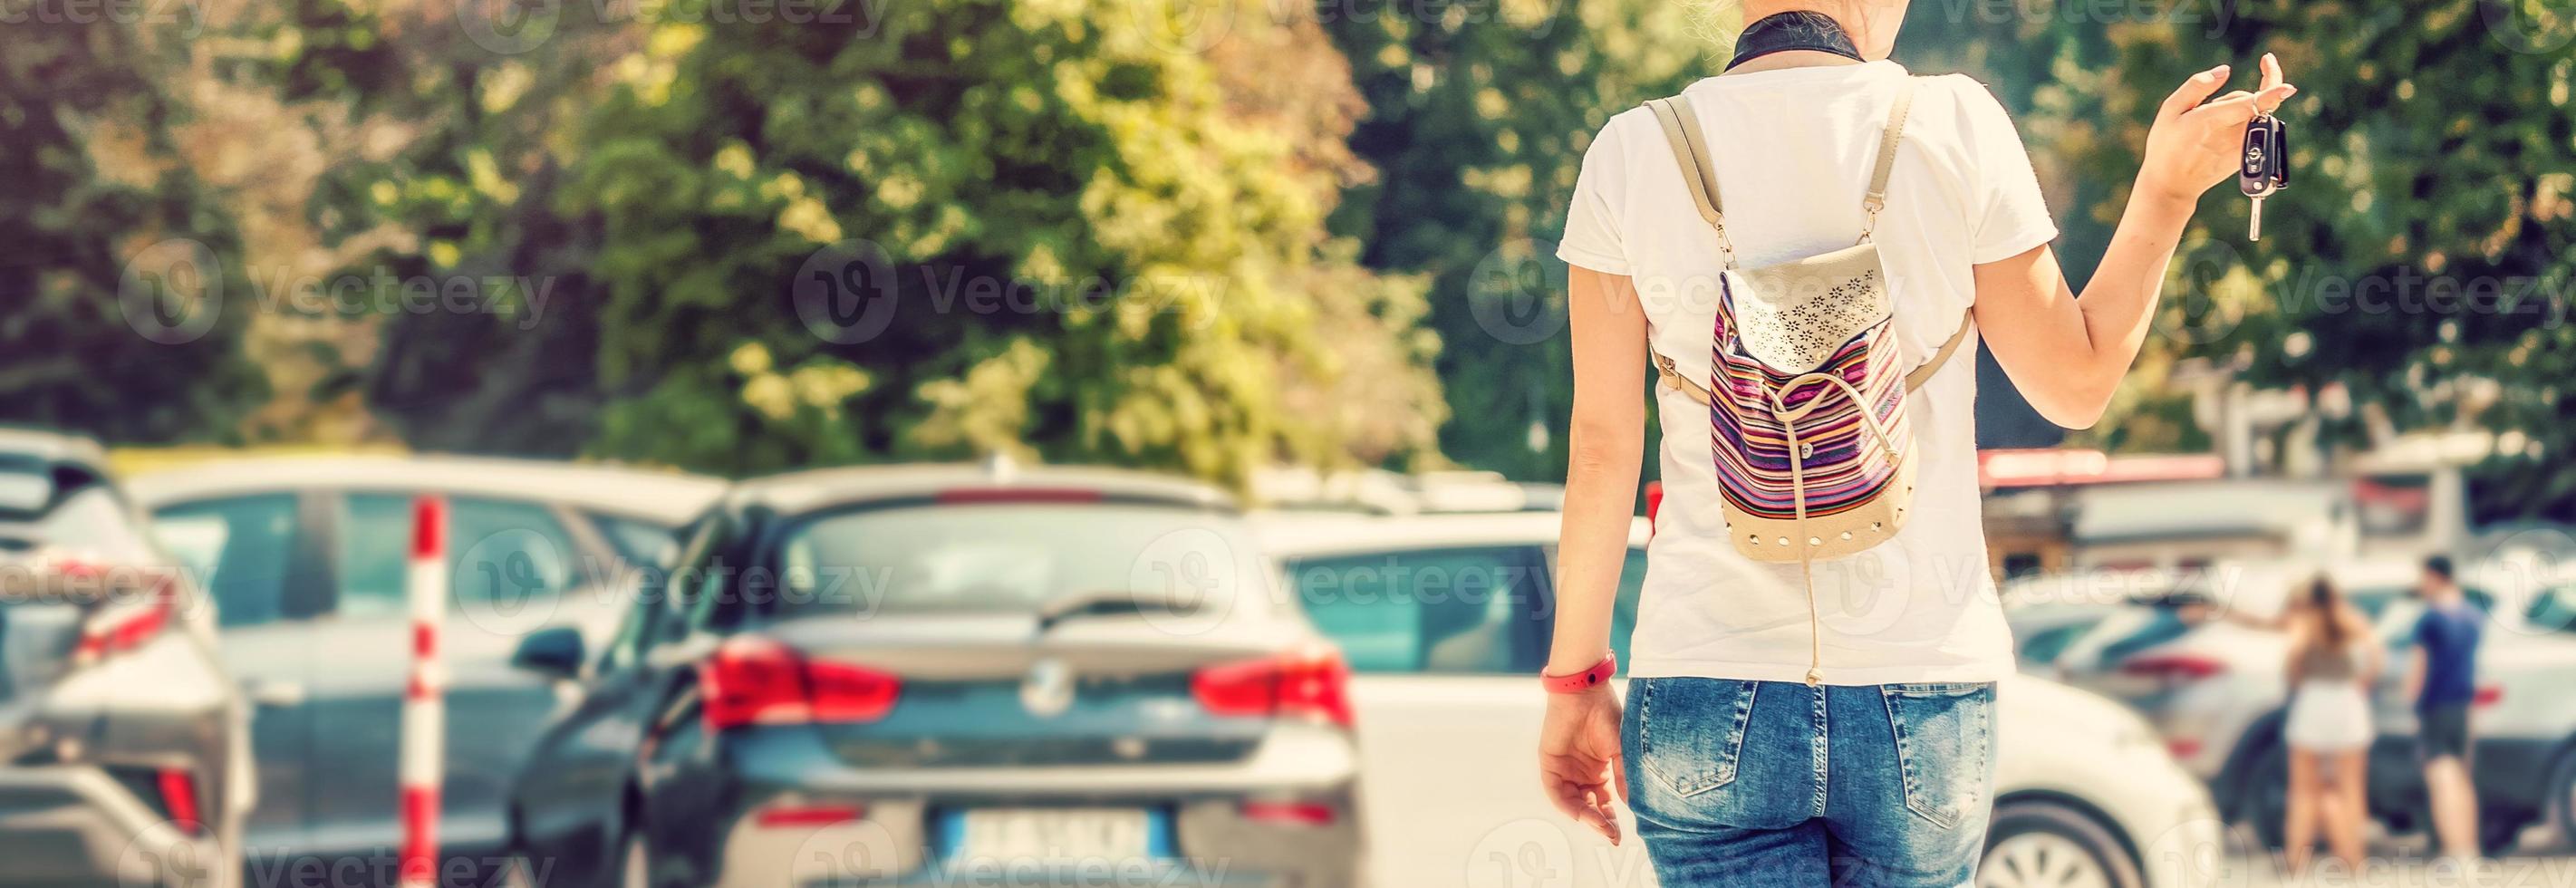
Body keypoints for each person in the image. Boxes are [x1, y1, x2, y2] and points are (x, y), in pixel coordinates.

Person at [1534, 0, 2295, 882]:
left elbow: (1599, 450)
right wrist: (2163, 191)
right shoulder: (1952, 123)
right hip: (1921, 678)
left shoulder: (1630, 152)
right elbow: (2073, 385)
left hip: (1705, 669)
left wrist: (1573, 682)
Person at [2280, 575, 2379, 874]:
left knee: (2303, 790)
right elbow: (2375, 661)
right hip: (2347, 703)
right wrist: (2360, 684)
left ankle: (2296, 859)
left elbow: (2293, 665)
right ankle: (2353, 858)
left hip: (2313, 703)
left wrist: (2299, 682)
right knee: (2351, 788)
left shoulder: (2304, 624)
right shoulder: (2354, 621)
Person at [2405, 555, 2484, 861]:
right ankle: (2470, 849)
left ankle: (2454, 851)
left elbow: (2418, 669)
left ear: (2435, 577)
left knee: (2442, 779)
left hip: (2436, 705)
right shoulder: (2472, 616)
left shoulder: (2431, 619)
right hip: (2463, 706)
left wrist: (2412, 703)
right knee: (2463, 780)